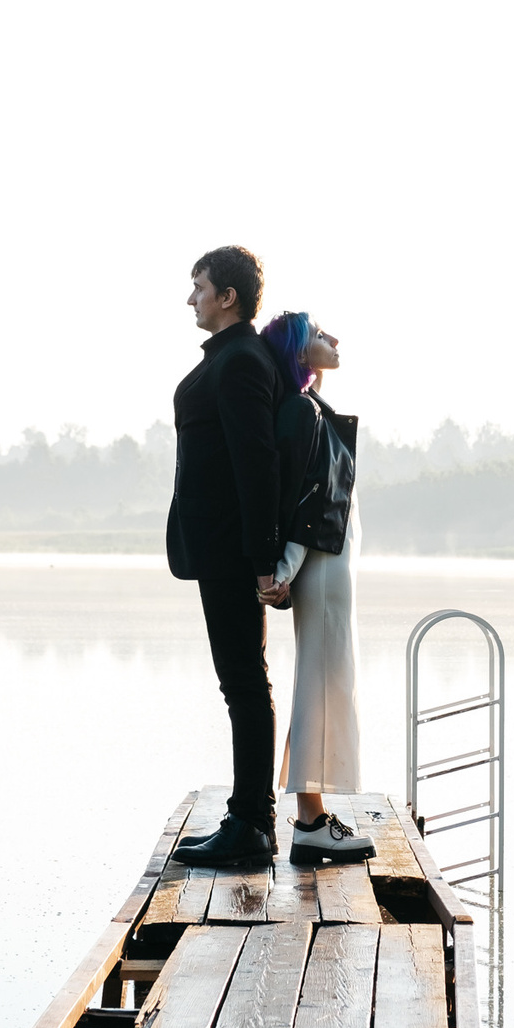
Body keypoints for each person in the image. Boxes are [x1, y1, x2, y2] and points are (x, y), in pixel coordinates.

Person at [164, 246, 287, 870]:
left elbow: (255, 463)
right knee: (242, 681)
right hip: (223, 548)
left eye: (199, 287)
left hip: (233, 551)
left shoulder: (239, 361)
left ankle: (252, 825)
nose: (192, 298)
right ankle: (249, 817)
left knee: (243, 681)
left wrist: (263, 560)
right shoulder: (233, 358)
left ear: (227, 297)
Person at [257, 312, 375, 864]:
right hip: (323, 563)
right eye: (319, 334)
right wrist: (284, 568)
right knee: (322, 685)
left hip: (331, 562)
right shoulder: (303, 412)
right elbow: (304, 502)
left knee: (328, 682)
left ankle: (314, 815)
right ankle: (309, 821)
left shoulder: (309, 406)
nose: (334, 338)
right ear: (300, 353)